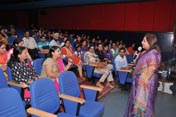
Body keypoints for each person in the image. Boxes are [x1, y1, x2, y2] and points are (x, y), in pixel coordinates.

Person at [124, 33, 161, 117]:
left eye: (144, 41)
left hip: (146, 84)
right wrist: (137, 58)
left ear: (150, 42)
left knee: (146, 105)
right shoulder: (146, 52)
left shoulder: (152, 53)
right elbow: (141, 65)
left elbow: (152, 68)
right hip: (139, 83)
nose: (141, 42)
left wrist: (142, 85)